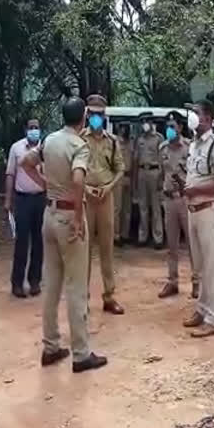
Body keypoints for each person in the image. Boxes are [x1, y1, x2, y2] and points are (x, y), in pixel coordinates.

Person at [20, 96, 108, 373]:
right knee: (76, 287)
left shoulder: (50, 140)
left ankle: (50, 346)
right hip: (70, 216)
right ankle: (81, 354)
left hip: (50, 213)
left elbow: (25, 162)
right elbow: (79, 179)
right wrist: (80, 219)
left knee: (52, 284)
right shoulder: (78, 145)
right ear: (82, 118)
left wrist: (45, 184)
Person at [183, 100, 214, 337]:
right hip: (193, 211)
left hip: (208, 210)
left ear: (209, 120)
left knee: (211, 266)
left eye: (197, 113)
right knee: (199, 266)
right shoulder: (194, 146)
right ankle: (202, 309)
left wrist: (195, 191)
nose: (193, 117)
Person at [81, 94, 125, 315]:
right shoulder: (80, 139)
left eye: (99, 114)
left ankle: (109, 296)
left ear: (104, 115)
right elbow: (74, 170)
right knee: (84, 250)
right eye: (92, 114)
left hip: (106, 197)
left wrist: (109, 187)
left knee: (107, 248)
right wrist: (86, 188)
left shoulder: (113, 141)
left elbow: (120, 169)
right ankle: (83, 299)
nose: (96, 117)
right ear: (87, 115)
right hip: (86, 198)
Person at [5, 118, 46, 298]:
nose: (34, 131)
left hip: (41, 199)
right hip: (22, 200)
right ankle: (17, 284)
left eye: (36, 128)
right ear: (25, 130)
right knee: (21, 242)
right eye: (31, 128)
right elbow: (10, 174)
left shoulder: (46, 149)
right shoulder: (16, 148)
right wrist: (8, 200)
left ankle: (35, 281)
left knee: (39, 241)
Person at [158, 115, 198, 299]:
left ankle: (196, 282)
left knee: (191, 243)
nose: (169, 130)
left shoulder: (189, 148)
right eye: (167, 126)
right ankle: (172, 282)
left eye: (172, 126)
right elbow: (161, 173)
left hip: (184, 200)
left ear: (180, 128)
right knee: (171, 245)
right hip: (168, 200)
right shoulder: (163, 148)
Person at [134, 111, 164, 248]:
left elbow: (163, 160)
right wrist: (135, 178)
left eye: (147, 121)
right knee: (143, 207)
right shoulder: (139, 139)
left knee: (156, 207)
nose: (145, 124)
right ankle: (142, 236)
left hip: (154, 172)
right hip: (141, 172)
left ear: (152, 123)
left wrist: (161, 179)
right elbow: (135, 159)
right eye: (143, 121)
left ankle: (158, 238)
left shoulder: (159, 138)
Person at [114, 123, 133, 246]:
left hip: (129, 176)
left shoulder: (131, 142)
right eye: (122, 127)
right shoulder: (114, 142)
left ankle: (125, 234)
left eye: (126, 128)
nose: (124, 130)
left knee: (127, 209)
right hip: (118, 176)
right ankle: (116, 235)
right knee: (117, 208)